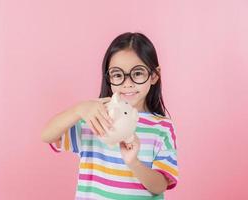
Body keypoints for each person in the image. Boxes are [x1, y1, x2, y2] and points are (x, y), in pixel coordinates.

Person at [41, 32, 178, 200]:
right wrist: (79, 109)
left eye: (137, 73)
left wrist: (133, 162)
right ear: (109, 78)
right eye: (118, 75)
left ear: (154, 75)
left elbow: (160, 186)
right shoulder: (94, 118)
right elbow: (47, 136)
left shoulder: (161, 127)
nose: (127, 83)